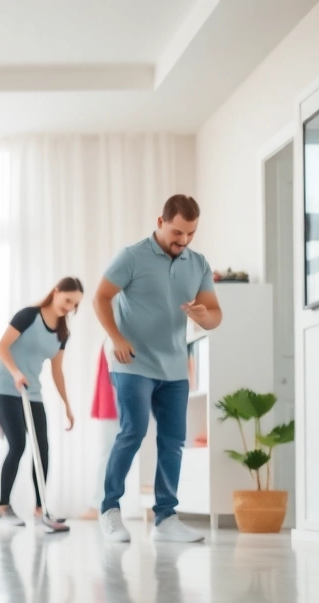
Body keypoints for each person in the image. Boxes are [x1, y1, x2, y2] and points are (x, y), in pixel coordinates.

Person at [93, 195, 222, 544]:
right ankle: (109, 509)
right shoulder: (132, 256)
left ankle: (165, 518)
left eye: (191, 234)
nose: (184, 240)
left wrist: (202, 316)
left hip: (175, 368)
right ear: (161, 221)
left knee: (173, 441)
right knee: (132, 432)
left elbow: (214, 314)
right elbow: (101, 297)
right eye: (178, 232)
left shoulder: (198, 264)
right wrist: (116, 337)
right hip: (131, 362)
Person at [0, 277, 84, 533]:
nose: (69, 307)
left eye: (74, 305)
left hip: (32, 392)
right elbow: (2, 347)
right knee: (18, 444)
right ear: (56, 293)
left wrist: (67, 405)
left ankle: (41, 509)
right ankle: (3, 508)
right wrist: (15, 372)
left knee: (42, 448)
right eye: (67, 300)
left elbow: (57, 371)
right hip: (6, 387)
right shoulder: (28, 316)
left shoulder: (62, 332)